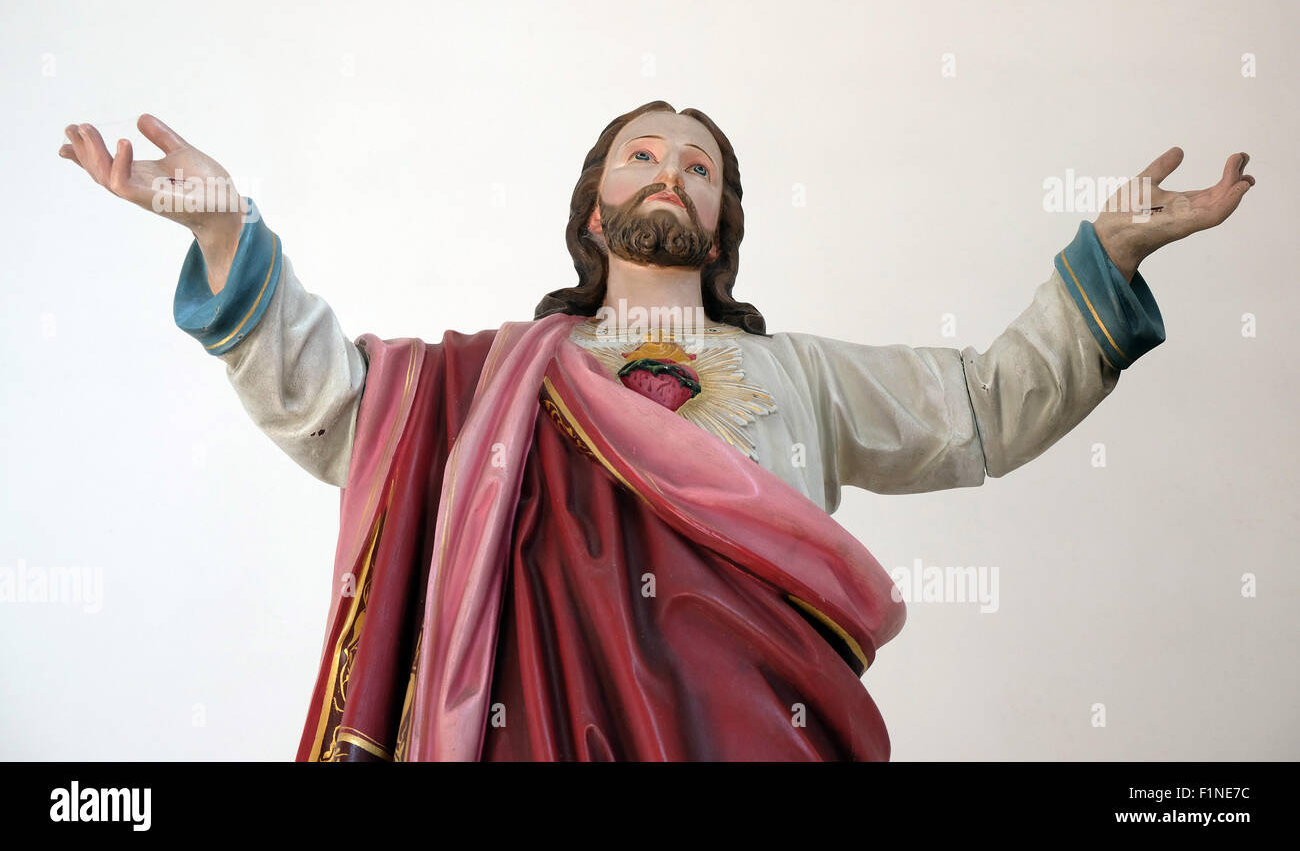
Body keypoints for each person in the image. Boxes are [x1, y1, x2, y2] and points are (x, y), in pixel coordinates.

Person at [59, 103, 1254, 761]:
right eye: (643, 156)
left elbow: (989, 405)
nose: (670, 174)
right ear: (595, 208)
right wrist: (226, 233)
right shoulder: (480, 384)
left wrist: (1108, 256)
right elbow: (331, 401)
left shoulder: (803, 376)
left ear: (724, 217)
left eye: (699, 166)